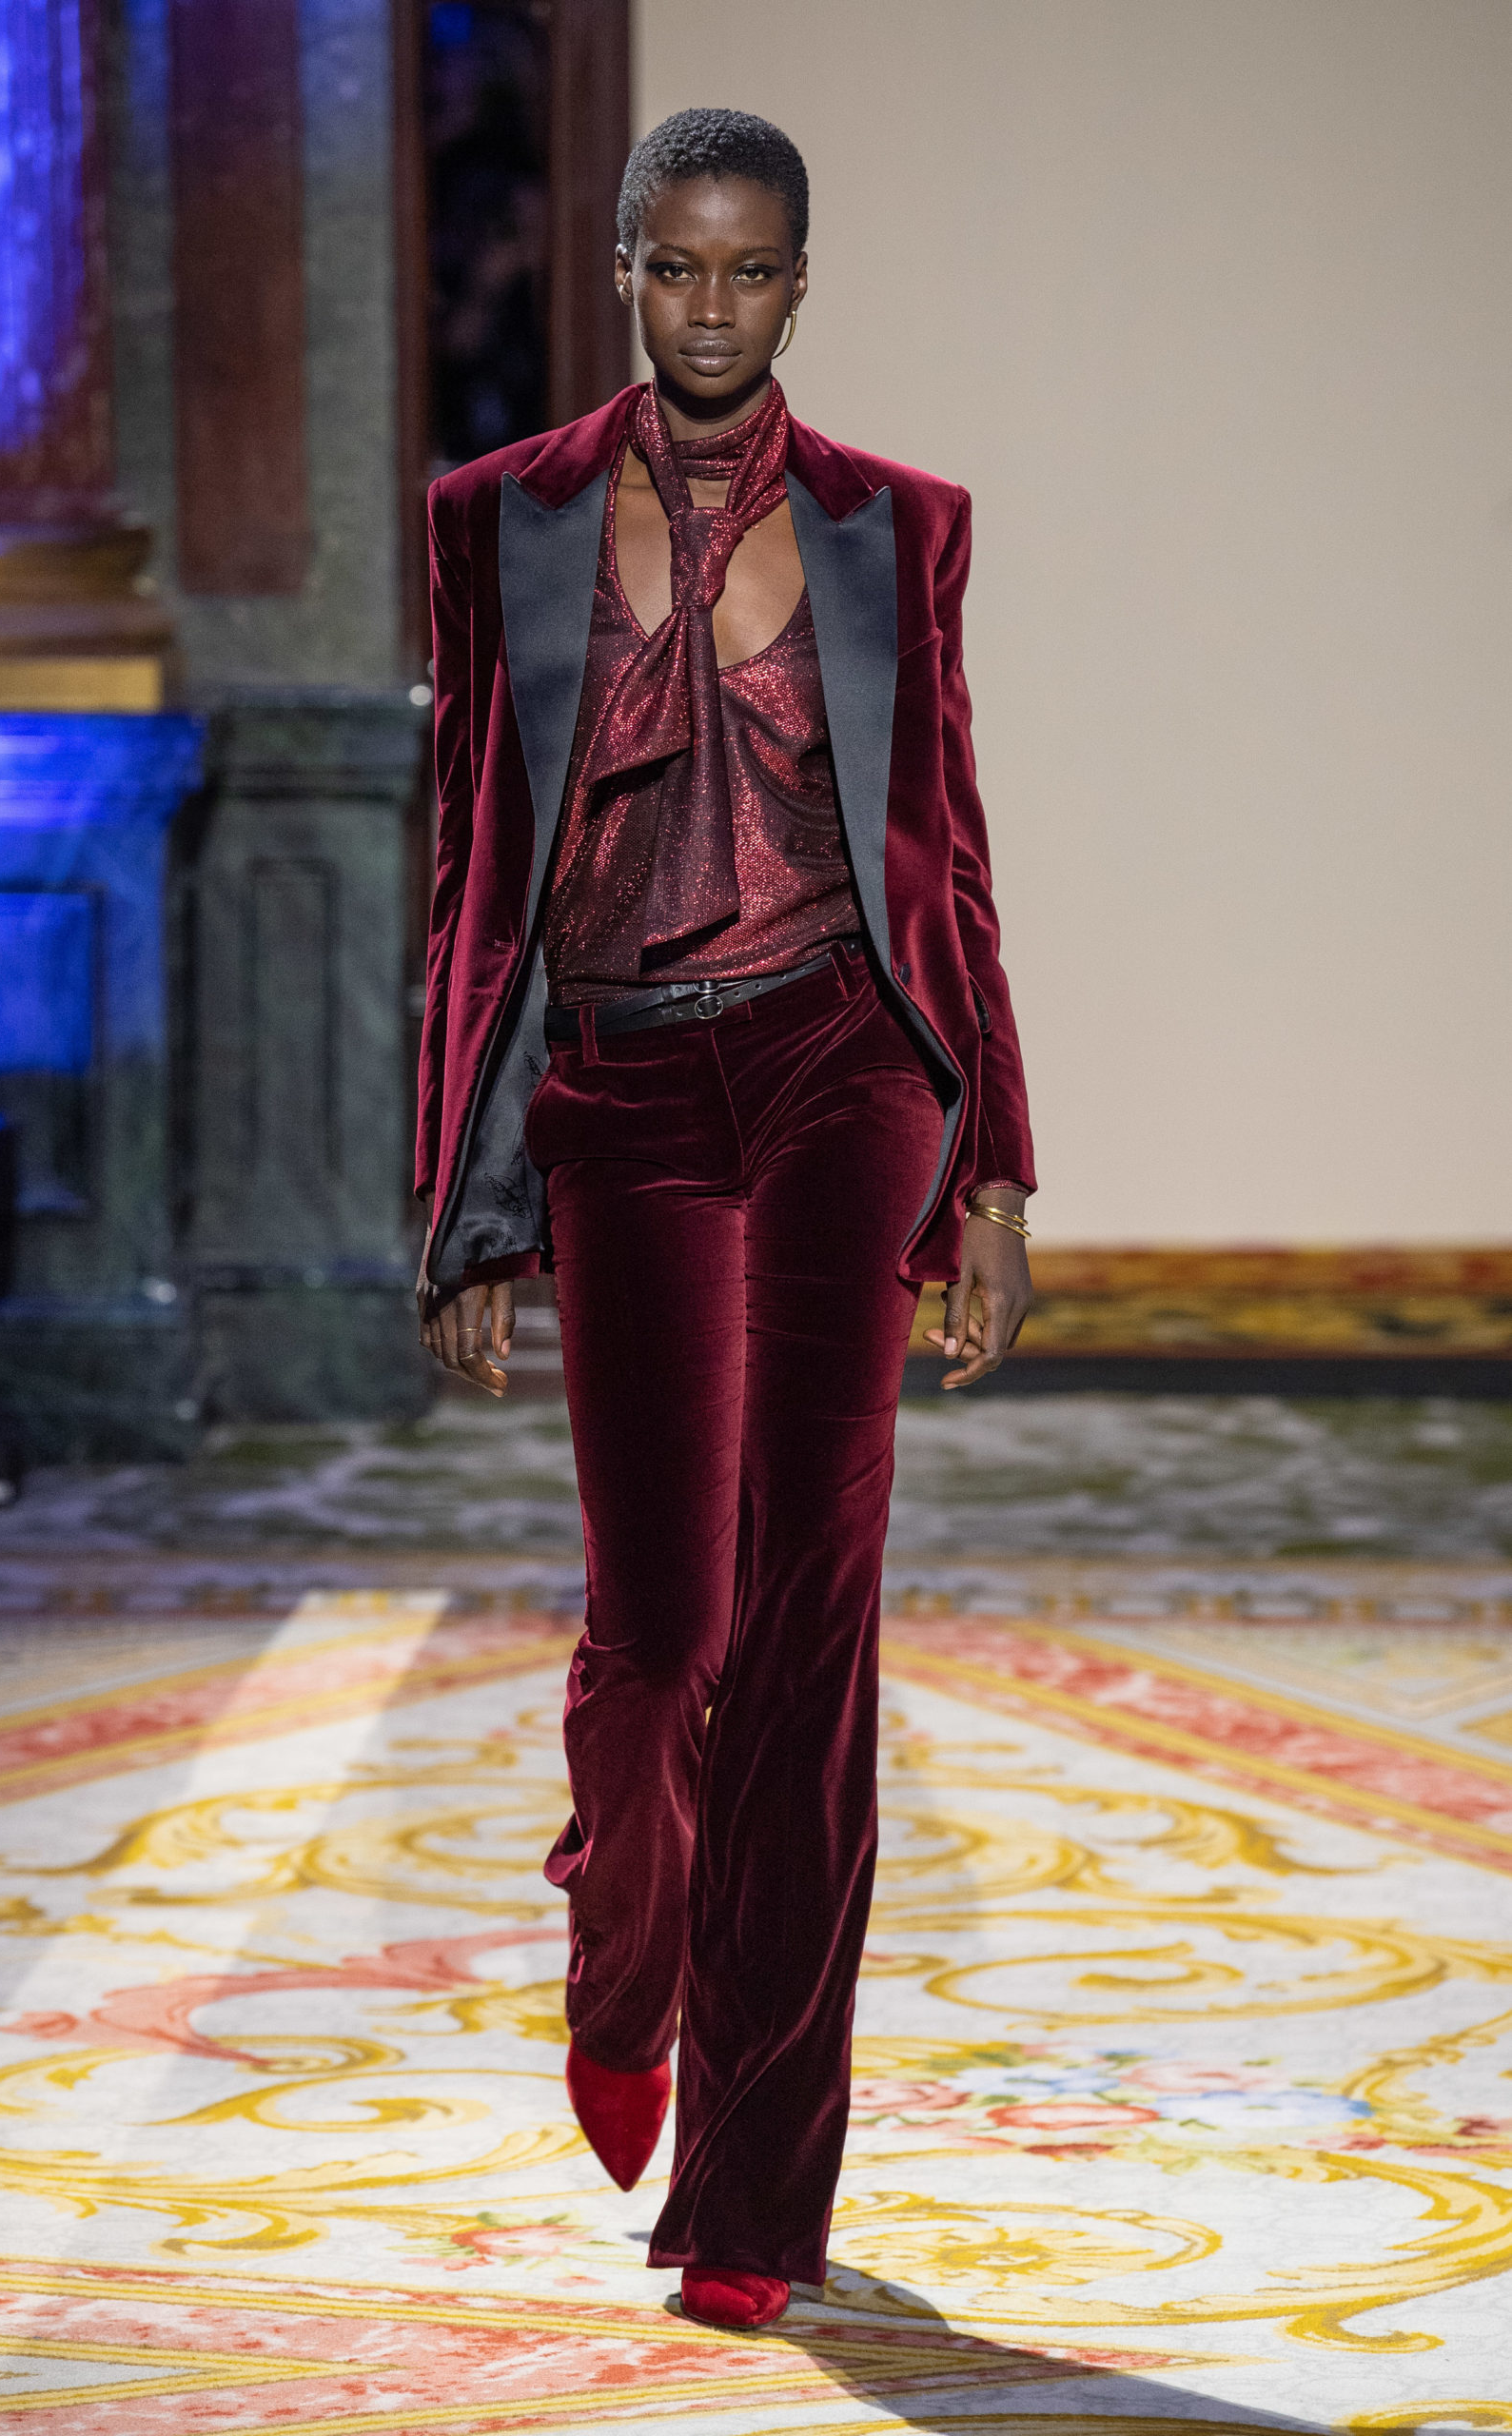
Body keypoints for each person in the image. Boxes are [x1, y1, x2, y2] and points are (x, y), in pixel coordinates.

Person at [416, 107, 1034, 2329]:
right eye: (670, 265)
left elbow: (945, 855)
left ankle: (755, 2186)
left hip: (841, 1064)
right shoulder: (496, 521)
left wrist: (992, 1167)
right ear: (615, 266)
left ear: (795, 282)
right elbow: (469, 870)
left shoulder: (895, 529)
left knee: (804, 1633)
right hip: (618, 1085)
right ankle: (622, 1926)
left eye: (746, 268)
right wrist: (462, 1194)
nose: (706, 305)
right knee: (662, 1629)